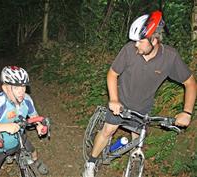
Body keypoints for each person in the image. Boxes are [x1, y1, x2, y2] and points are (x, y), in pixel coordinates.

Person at [82, 10, 196, 177]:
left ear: (154, 40)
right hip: (121, 101)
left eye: (140, 41)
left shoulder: (170, 57)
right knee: (109, 130)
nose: (135, 44)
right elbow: (113, 74)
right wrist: (114, 100)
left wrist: (187, 112)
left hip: (143, 107)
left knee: (138, 142)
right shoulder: (129, 50)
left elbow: (191, 83)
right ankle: (91, 162)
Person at [0, 66, 49, 177]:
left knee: (32, 151)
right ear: (5, 88)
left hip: (19, 137)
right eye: (16, 88)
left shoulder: (27, 99)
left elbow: (34, 115)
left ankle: (35, 162)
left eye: (23, 86)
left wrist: (38, 125)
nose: (21, 91)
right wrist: (5, 126)